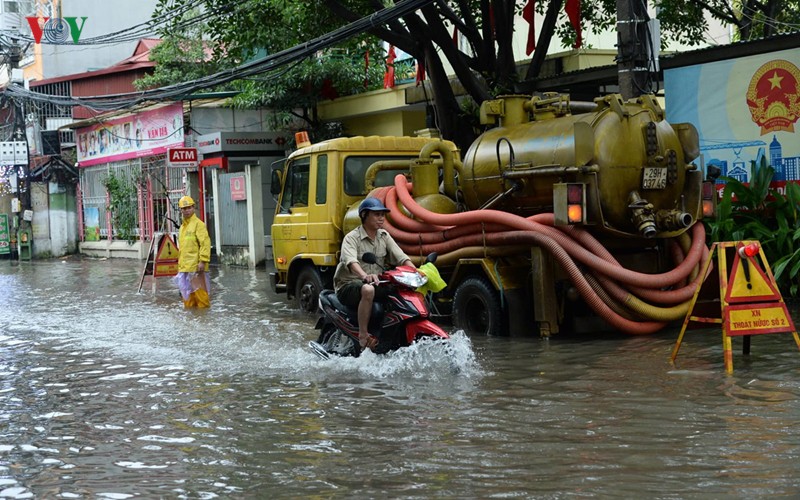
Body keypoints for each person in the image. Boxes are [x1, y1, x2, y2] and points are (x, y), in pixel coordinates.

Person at [333, 197, 414, 351]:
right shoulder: (352, 238)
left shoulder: (384, 236)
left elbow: (401, 257)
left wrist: (416, 272)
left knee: (401, 289)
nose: (381, 218)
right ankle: (363, 335)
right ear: (364, 215)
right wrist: (365, 276)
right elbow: (351, 262)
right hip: (349, 285)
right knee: (367, 289)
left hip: (377, 283)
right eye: (377, 214)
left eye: (382, 214)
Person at [175, 195, 211, 308]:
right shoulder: (182, 228)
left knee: (201, 298)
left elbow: (205, 243)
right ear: (181, 210)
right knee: (188, 300)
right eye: (184, 209)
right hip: (185, 268)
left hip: (196, 268)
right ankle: (192, 321)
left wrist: (203, 261)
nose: (186, 211)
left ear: (193, 208)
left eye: (189, 208)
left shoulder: (199, 224)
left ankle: (203, 321)